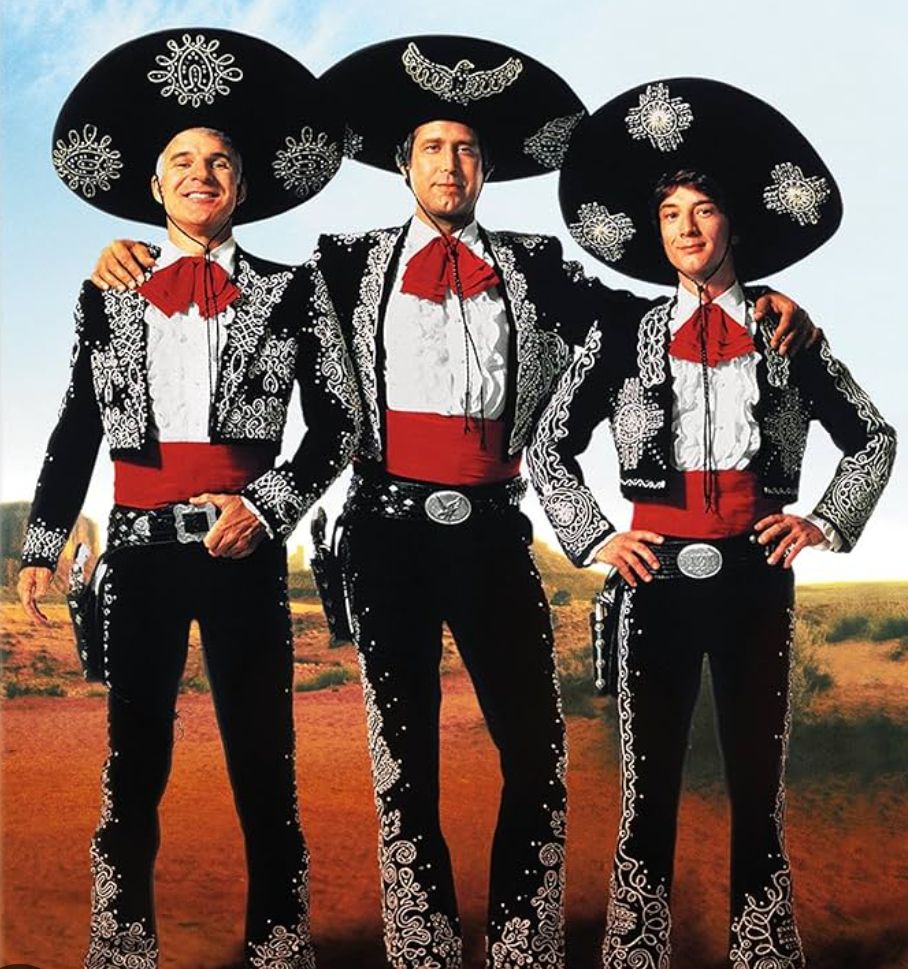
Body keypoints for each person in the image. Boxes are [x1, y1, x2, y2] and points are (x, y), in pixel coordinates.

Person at [89, 38, 811, 968]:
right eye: (433, 147)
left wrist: (770, 304)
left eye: (467, 151)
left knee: (535, 752)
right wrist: (125, 253)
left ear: (488, 170)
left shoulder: (541, 267)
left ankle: (523, 944)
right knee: (404, 764)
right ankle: (421, 946)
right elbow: (224, 287)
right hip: (384, 536)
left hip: (495, 531)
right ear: (404, 164)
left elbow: (655, 316)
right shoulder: (340, 265)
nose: (451, 165)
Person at [528, 78, 896, 968]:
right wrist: (596, 537)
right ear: (655, 234)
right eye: (671, 216)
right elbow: (547, 450)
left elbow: (874, 438)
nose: (688, 229)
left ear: (733, 223)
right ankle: (637, 947)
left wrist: (822, 522)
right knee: (646, 786)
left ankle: (764, 946)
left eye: (704, 211)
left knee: (755, 784)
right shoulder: (623, 334)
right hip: (652, 581)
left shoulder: (787, 335)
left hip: (756, 579)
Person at [17, 29, 359, 968]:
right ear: (155, 187)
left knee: (264, 761)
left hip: (242, 548)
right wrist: (42, 543)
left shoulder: (295, 291)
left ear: (243, 188)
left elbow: (336, 428)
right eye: (181, 162)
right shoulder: (106, 294)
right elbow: (75, 426)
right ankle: (120, 946)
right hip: (135, 554)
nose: (200, 173)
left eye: (219, 161)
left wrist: (272, 507)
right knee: (135, 765)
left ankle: (279, 944)